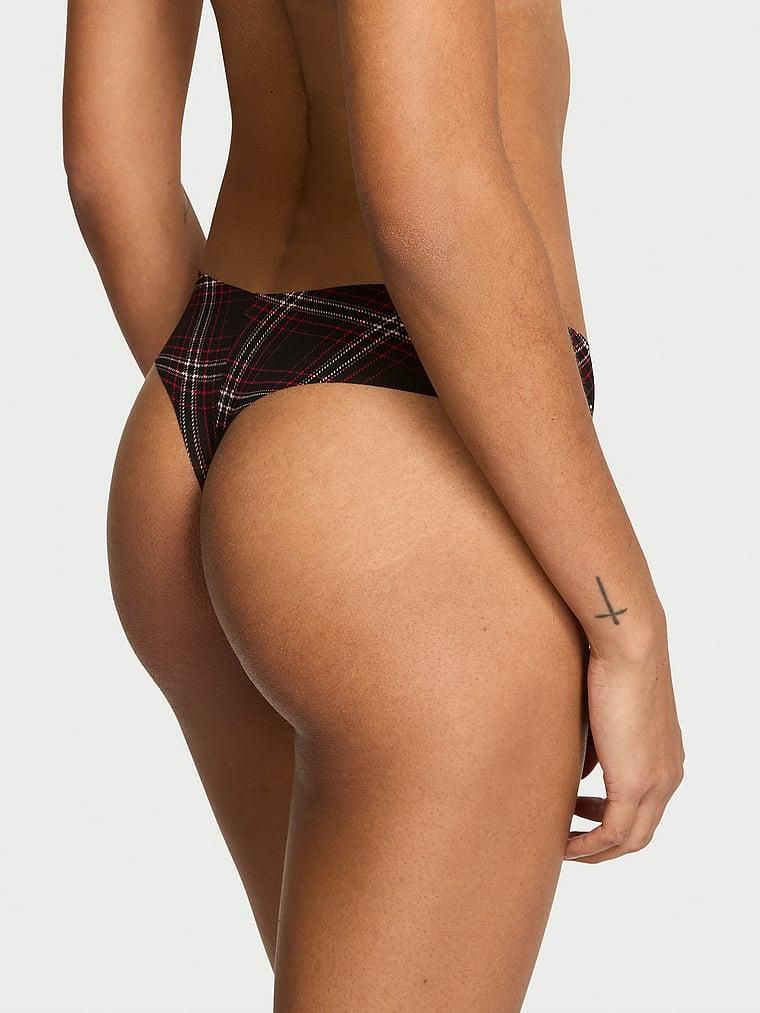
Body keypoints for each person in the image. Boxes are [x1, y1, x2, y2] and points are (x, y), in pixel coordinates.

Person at [63, 1, 684, 1008]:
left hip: (193, 416)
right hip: (395, 446)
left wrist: (255, 456)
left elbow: (109, 168)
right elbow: (427, 203)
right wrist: (628, 625)